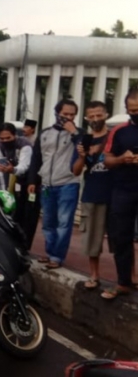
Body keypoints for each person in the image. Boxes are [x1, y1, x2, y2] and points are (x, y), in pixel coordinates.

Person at [28, 98, 83, 269]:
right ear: (57, 113)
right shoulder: (44, 134)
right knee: (48, 221)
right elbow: (36, 158)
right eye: (65, 114)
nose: (68, 117)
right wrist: (32, 180)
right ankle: (50, 251)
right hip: (46, 184)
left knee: (64, 222)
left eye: (72, 115)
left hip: (68, 182)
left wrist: (74, 133)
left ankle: (57, 256)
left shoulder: (79, 133)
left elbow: (84, 148)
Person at [71, 101, 113, 291]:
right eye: (91, 116)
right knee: (92, 240)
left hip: (115, 193)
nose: (95, 119)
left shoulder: (114, 136)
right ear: (86, 118)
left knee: (122, 239)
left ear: (106, 115)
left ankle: (128, 278)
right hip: (92, 193)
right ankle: (94, 275)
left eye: (99, 115)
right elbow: (75, 171)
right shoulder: (84, 140)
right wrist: (82, 156)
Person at [103, 88, 138, 300]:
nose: (135, 114)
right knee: (121, 237)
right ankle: (123, 281)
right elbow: (106, 160)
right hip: (123, 190)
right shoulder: (118, 132)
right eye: (132, 110)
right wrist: (121, 159)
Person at [0, 122, 33, 191]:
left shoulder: (24, 145)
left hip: (26, 179)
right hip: (8, 177)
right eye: (2, 138)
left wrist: (13, 169)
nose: (5, 140)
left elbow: (24, 166)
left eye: (8, 138)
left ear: (14, 135)